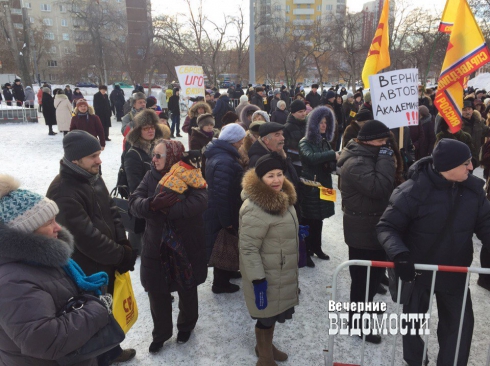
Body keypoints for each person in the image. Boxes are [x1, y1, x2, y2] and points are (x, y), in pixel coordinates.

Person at [377, 139, 490, 366]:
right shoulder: (411, 190)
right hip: (418, 273)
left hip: (454, 273)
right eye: (466, 163)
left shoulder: (474, 192)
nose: (471, 167)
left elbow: (487, 226)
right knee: (413, 325)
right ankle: (415, 360)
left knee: (458, 328)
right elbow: (386, 227)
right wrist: (400, 254)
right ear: (448, 166)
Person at [0, 175, 113, 366]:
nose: (58, 227)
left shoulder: (39, 261)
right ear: (25, 232)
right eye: (48, 223)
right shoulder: (12, 282)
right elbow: (45, 340)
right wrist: (97, 308)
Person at [46, 131, 137, 364]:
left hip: (106, 262)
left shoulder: (92, 176)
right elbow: (86, 238)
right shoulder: (63, 190)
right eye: (93, 156)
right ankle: (101, 358)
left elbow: (112, 211)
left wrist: (124, 243)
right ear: (76, 159)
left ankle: (112, 351)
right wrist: (119, 255)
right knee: (94, 317)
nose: (99, 160)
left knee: (109, 310)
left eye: (99, 154)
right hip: (87, 269)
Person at [129, 139, 208, 353]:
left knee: (187, 288)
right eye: (153, 155)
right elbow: (134, 201)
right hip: (156, 245)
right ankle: (161, 334)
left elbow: (200, 201)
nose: (153, 159)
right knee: (157, 292)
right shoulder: (150, 176)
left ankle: (186, 325)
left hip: (185, 244)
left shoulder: (190, 174)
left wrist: (166, 211)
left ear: (172, 156)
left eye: (158, 155)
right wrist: (151, 204)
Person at [337, 120, 396, 344]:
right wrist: (385, 158)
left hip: (374, 226)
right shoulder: (356, 163)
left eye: (386, 141)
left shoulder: (370, 155)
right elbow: (380, 188)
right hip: (362, 230)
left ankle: (367, 309)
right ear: (367, 141)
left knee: (372, 279)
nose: (385, 146)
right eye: (381, 142)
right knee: (362, 281)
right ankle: (357, 323)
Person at [239, 152, 299, 365]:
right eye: (270, 176)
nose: (276, 180)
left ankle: (264, 346)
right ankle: (265, 358)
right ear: (260, 179)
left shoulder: (283, 198)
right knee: (265, 317)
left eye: (280, 174)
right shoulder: (255, 208)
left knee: (272, 314)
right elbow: (248, 249)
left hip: (280, 270)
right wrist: (258, 280)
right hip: (265, 274)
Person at [204, 123, 246, 293]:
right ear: (234, 141)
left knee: (227, 242)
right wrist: (227, 220)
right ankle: (220, 283)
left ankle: (228, 272)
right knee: (223, 243)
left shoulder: (220, 154)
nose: (243, 143)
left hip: (220, 209)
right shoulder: (225, 161)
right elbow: (222, 195)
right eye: (241, 140)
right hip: (221, 211)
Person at [299, 106, 339, 267]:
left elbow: (327, 161)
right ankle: (307, 251)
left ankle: (317, 248)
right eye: (320, 122)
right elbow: (310, 158)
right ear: (313, 124)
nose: (323, 125)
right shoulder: (305, 142)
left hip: (325, 184)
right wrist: (332, 155)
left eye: (326, 123)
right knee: (309, 219)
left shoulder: (325, 142)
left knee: (320, 218)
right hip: (311, 187)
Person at [124, 109, 165, 254]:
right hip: (144, 203)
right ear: (138, 131)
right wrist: (148, 202)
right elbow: (134, 185)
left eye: (152, 127)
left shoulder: (157, 148)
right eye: (146, 128)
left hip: (156, 201)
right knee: (142, 245)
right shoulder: (133, 154)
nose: (150, 131)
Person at [461, 99, 490, 169]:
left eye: (469, 109)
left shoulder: (478, 122)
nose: (467, 112)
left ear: (473, 110)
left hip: (475, 156)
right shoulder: (458, 124)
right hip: (462, 156)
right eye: (464, 110)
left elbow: (487, 131)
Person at [284, 99, 308, 177]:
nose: (303, 114)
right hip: (295, 164)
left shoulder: (308, 125)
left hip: (308, 163)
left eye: (304, 111)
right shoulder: (287, 128)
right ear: (293, 113)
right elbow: (287, 148)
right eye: (300, 112)